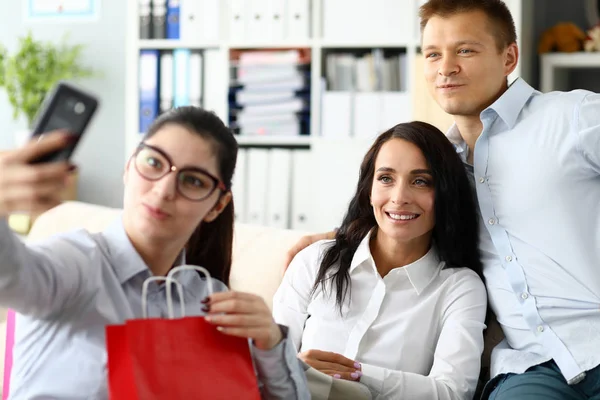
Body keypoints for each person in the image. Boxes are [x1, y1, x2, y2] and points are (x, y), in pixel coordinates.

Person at [285, 1, 600, 399]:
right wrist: (339, 236)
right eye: (433, 53)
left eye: (464, 50)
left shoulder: (573, 118)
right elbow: (402, 209)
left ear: (509, 57)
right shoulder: (441, 168)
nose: (445, 67)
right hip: (532, 366)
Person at [0, 106, 309, 399]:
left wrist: (271, 342)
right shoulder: (75, 261)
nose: (164, 190)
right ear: (128, 168)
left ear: (216, 205)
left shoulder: (212, 301)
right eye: (153, 163)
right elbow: (10, 277)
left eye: (192, 180)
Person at [273, 121, 488, 399]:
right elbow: (270, 366)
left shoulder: (460, 288)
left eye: (420, 181)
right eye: (386, 178)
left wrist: (354, 375)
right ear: (369, 190)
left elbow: (452, 392)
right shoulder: (315, 261)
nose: (399, 198)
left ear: (446, 193)